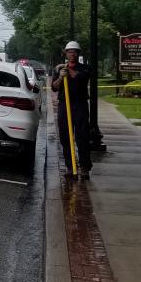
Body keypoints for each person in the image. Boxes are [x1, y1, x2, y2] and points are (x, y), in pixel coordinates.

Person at [51, 40, 93, 178]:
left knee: (82, 136)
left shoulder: (85, 68)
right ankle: (70, 167)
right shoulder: (59, 70)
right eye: (69, 51)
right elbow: (54, 87)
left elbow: (80, 79)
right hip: (64, 104)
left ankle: (85, 167)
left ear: (78, 53)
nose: (72, 54)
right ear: (65, 53)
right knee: (65, 137)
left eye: (74, 51)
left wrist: (67, 69)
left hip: (80, 104)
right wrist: (60, 76)